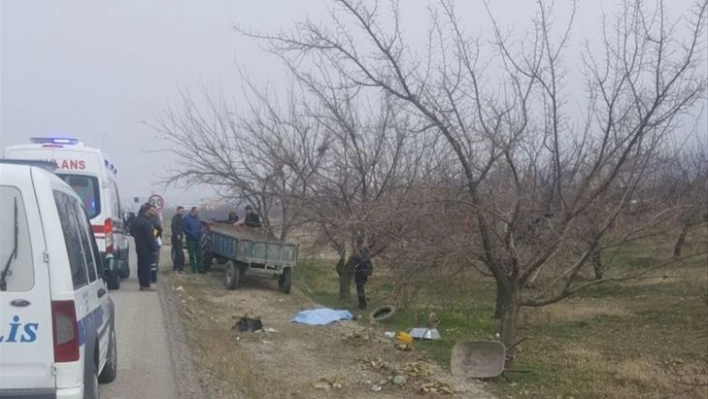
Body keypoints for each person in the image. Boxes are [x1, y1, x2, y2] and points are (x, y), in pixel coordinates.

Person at [130, 203, 158, 291]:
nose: (153, 212)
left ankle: (142, 284)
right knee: (146, 267)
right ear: (146, 211)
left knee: (141, 266)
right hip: (146, 247)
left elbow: (131, 232)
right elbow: (150, 237)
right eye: (151, 210)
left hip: (139, 246)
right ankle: (146, 285)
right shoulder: (146, 222)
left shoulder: (136, 220)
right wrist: (154, 248)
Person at [182, 206, 204, 274]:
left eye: (198, 212)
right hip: (190, 239)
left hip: (197, 238)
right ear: (192, 211)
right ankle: (193, 269)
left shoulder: (197, 218)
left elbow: (200, 227)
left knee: (199, 254)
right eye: (197, 211)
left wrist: (200, 232)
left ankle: (200, 269)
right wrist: (191, 233)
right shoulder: (186, 218)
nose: (198, 213)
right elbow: (184, 228)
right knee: (192, 255)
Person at [171, 206, 186, 273]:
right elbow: (173, 227)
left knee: (181, 254)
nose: (182, 212)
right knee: (178, 253)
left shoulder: (181, 219)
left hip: (180, 237)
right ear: (177, 211)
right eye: (180, 211)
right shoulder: (175, 218)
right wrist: (177, 234)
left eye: (183, 211)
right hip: (176, 238)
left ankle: (180, 268)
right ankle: (175, 268)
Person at [150, 213, 163, 283]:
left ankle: (153, 275)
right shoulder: (153, 226)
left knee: (154, 261)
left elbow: (157, 234)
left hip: (154, 243)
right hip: (153, 243)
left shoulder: (156, 228)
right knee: (154, 260)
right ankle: (153, 276)